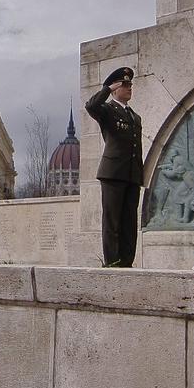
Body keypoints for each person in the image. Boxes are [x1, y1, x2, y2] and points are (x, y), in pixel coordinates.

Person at [86, 66, 143, 267]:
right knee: (112, 222)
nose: (129, 88)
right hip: (113, 173)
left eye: (130, 85)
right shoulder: (108, 110)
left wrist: (139, 174)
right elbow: (91, 106)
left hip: (132, 175)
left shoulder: (135, 117)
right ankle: (113, 263)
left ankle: (127, 262)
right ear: (116, 87)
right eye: (125, 85)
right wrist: (107, 89)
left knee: (129, 222)